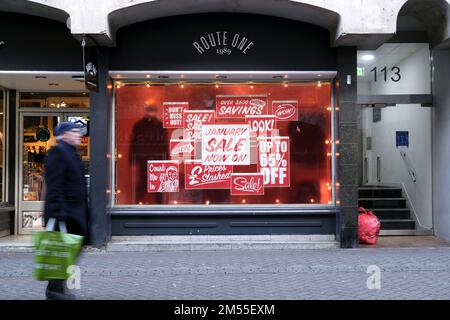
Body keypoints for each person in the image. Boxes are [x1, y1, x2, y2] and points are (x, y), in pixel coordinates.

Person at [43, 122, 89, 300]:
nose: (79, 135)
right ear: (64, 134)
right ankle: (55, 290)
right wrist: (58, 212)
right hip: (64, 213)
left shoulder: (71, 152)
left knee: (70, 250)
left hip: (74, 213)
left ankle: (56, 288)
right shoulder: (58, 152)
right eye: (75, 132)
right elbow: (54, 185)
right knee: (62, 251)